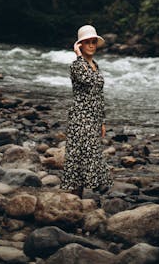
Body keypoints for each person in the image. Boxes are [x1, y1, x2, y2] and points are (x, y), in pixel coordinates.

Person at [60, 24, 113, 198]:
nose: (91, 45)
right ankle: (75, 199)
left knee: (88, 156)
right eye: (87, 42)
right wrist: (78, 55)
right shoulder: (77, 65)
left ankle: (79, 197)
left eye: (93, 42)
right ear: (80, 45)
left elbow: (99, 95)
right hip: (81, 117)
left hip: (94, 117)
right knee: (80, 158)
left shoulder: (96, 65)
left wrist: (102, 121)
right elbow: (87, 80)